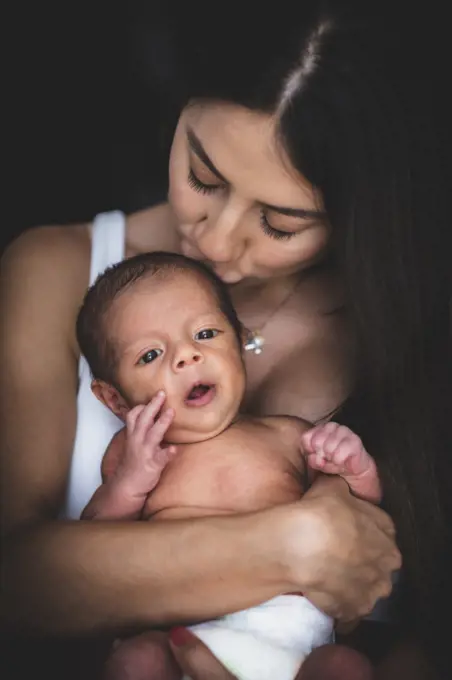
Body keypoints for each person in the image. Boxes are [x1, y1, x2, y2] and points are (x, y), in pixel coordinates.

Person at [1, 2, 449, 678]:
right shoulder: (58, 270)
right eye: (203, 176)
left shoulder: (413, 327)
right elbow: (14, 581)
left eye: (279, 222)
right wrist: (294, 545)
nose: (211, 239)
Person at [77, 251, 382, 680]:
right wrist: (128, 485)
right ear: (115, 399)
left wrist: (355, 468)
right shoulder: (130, 455)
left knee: (346, 667)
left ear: (239, 341)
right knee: (136, 662)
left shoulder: (288, 435)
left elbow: (357, 527)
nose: (187, 357)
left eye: (205, 333)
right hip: (180, 632)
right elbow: (92, 550)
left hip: (291, 640)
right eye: (150, 355)